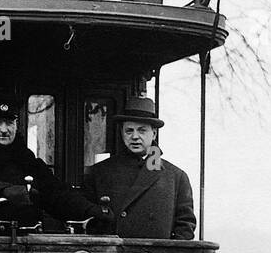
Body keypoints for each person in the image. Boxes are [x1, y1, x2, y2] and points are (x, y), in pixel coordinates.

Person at [0, 93, 100, 226]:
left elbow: (56, 193)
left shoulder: (27, 160)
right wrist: (5, 191)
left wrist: (91, 211)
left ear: (16, 126)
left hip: (28, 241)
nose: (4, 129)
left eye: (9, 123)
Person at [82, 96, 196, 239]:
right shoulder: (99, 172)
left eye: (142, 130)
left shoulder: (176, 177)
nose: (135, 136)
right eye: (129, 131)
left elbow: (184, 229)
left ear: (153, 133)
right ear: (122, 133)